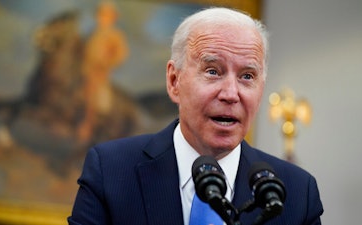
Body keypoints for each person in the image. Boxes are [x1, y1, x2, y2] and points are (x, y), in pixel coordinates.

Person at [68, 7, 323, 225]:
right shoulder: (111, 171)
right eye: (213, 71)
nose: (231, 94)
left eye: (247, 76)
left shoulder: (297, 194)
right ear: (174, 80)